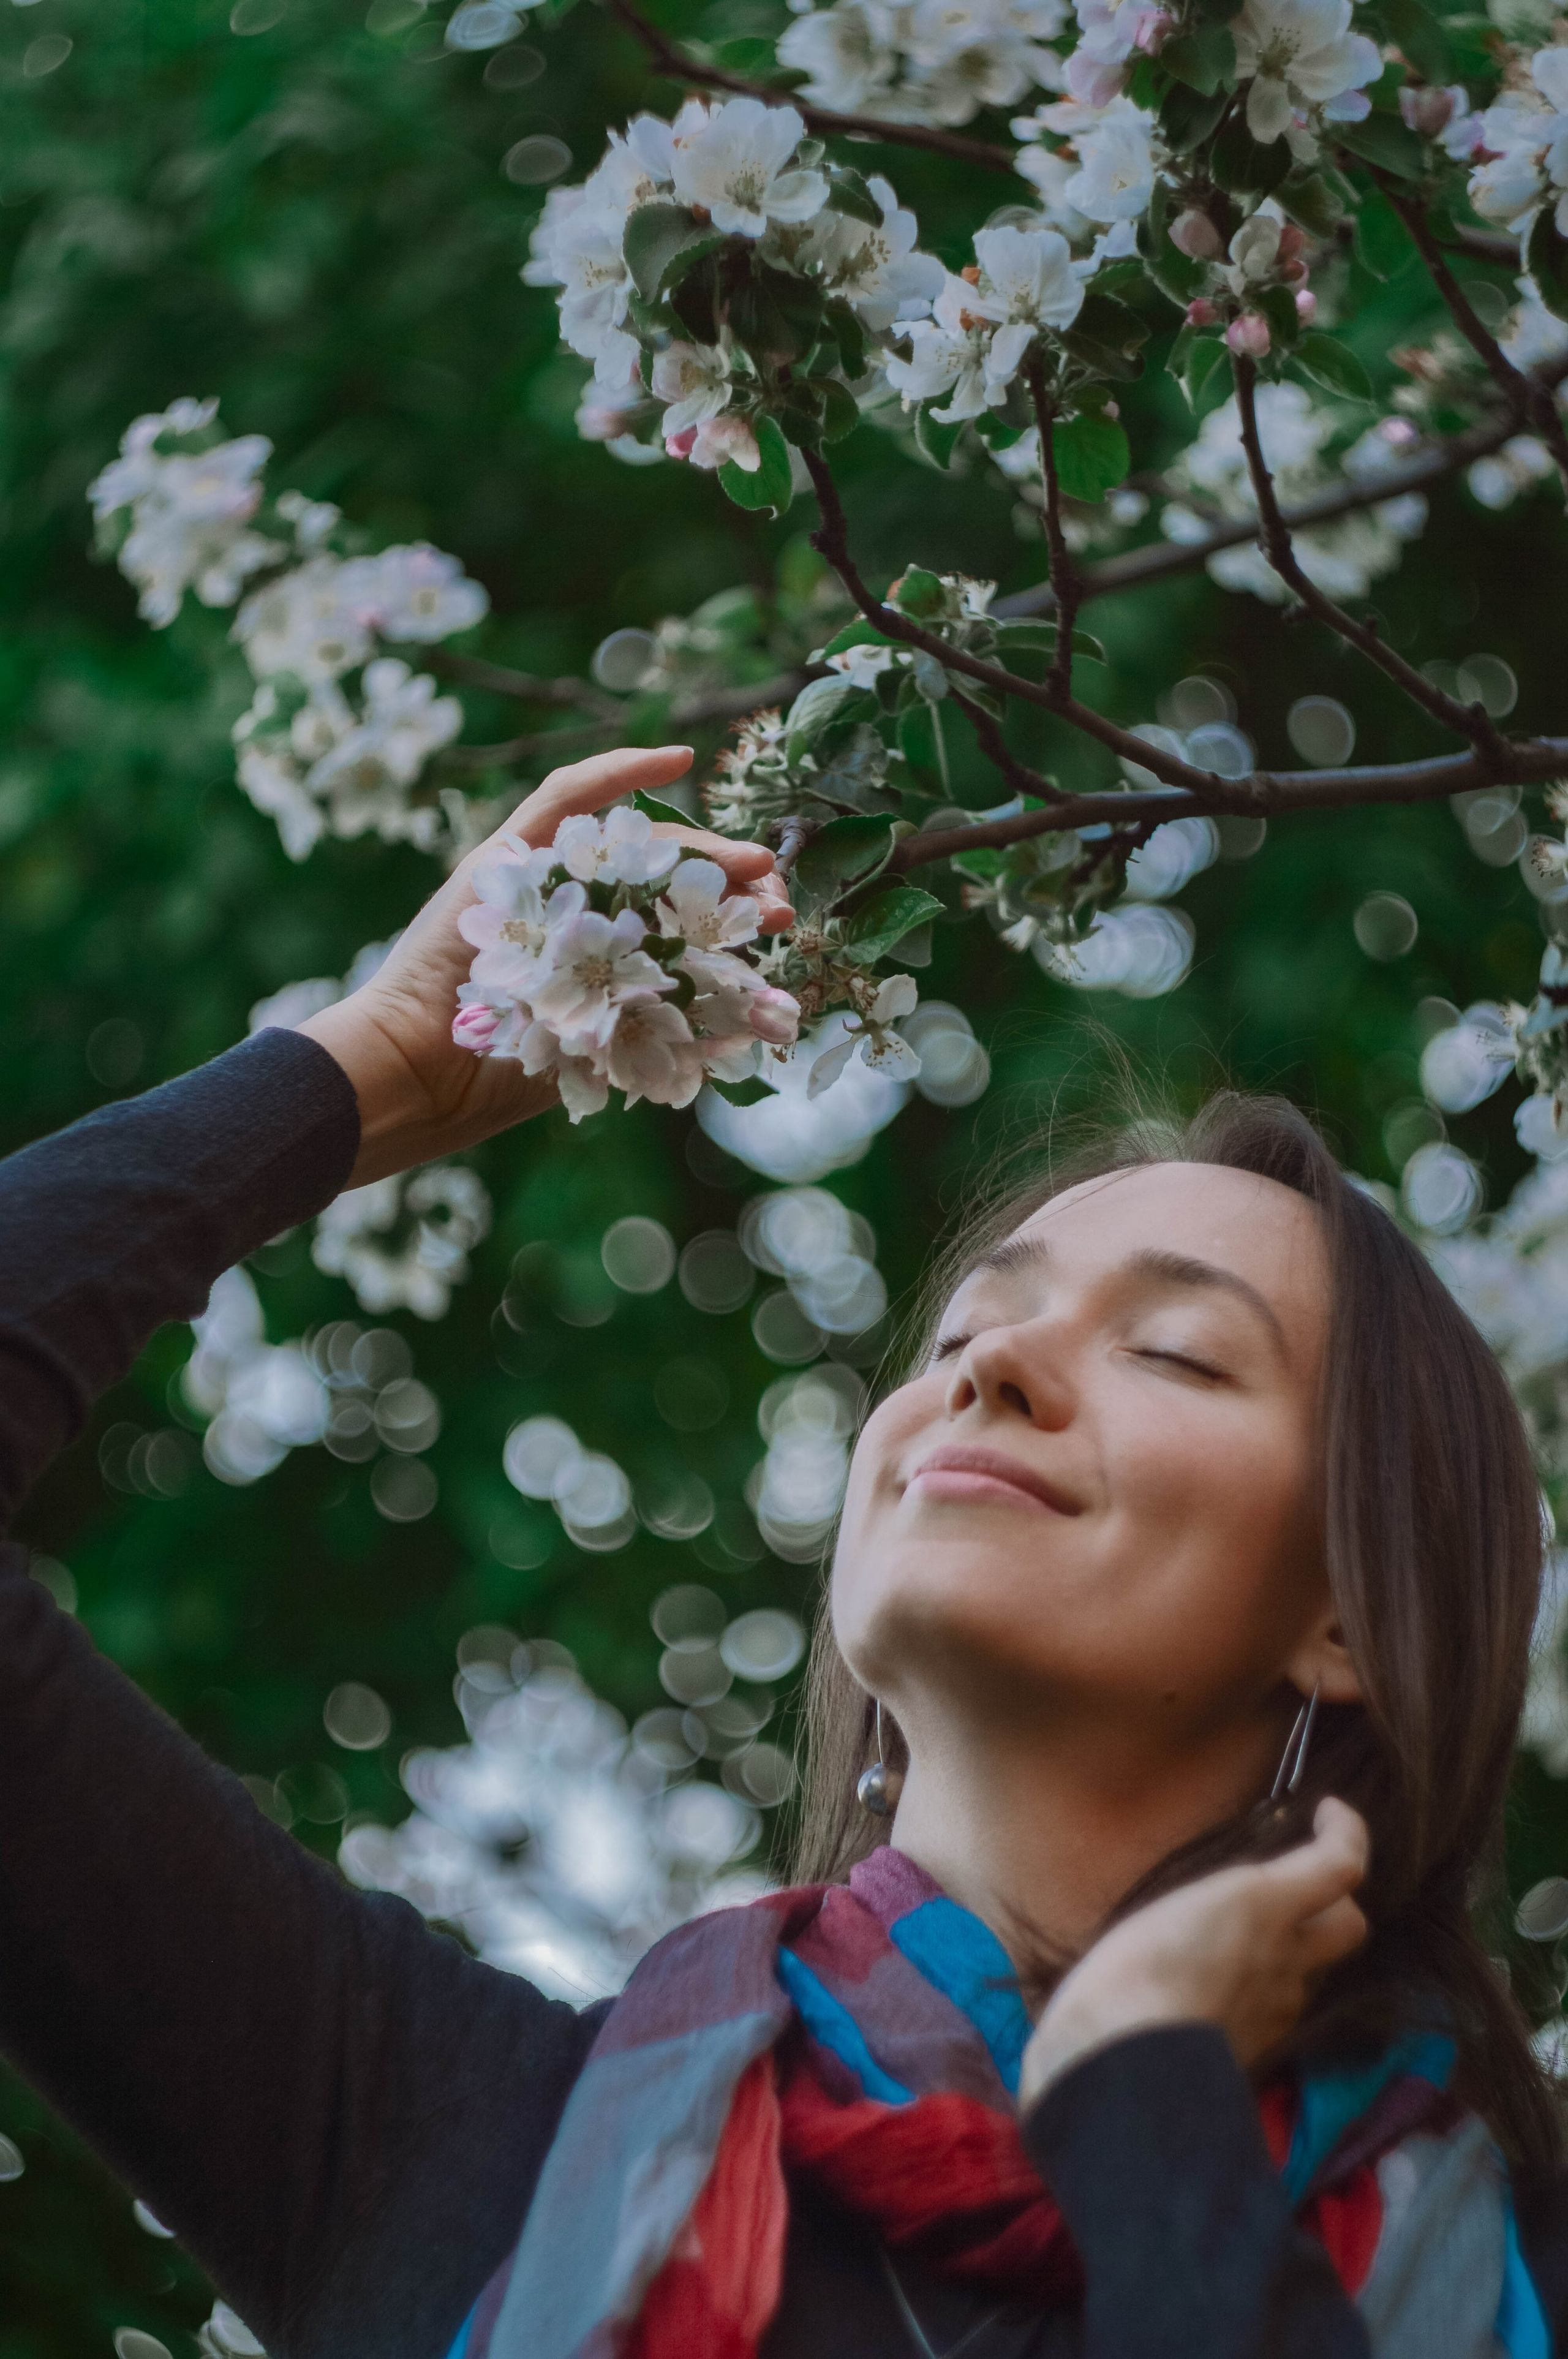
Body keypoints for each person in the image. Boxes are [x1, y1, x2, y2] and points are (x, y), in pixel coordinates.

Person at [1, 744, 1564, 2359]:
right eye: (972, 1323)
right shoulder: (451, 2136)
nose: (988, 1371)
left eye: (1173, 1352)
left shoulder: (1520, 2250)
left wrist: (1147, 2102)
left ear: (1348, 1615)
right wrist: (369, 1070)